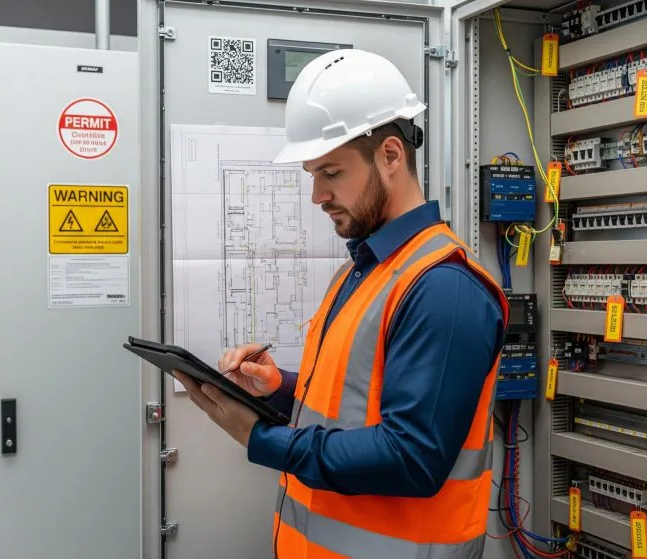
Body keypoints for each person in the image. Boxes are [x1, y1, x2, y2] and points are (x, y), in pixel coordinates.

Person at [173, 49, 509, 559]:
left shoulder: (446, 290)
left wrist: (262, 438)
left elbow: (412, 458)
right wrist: (280, 387)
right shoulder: (363, 271)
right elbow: (353, 408)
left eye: (331, 172)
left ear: (391, 156)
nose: (317, 195)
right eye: (313, 174)